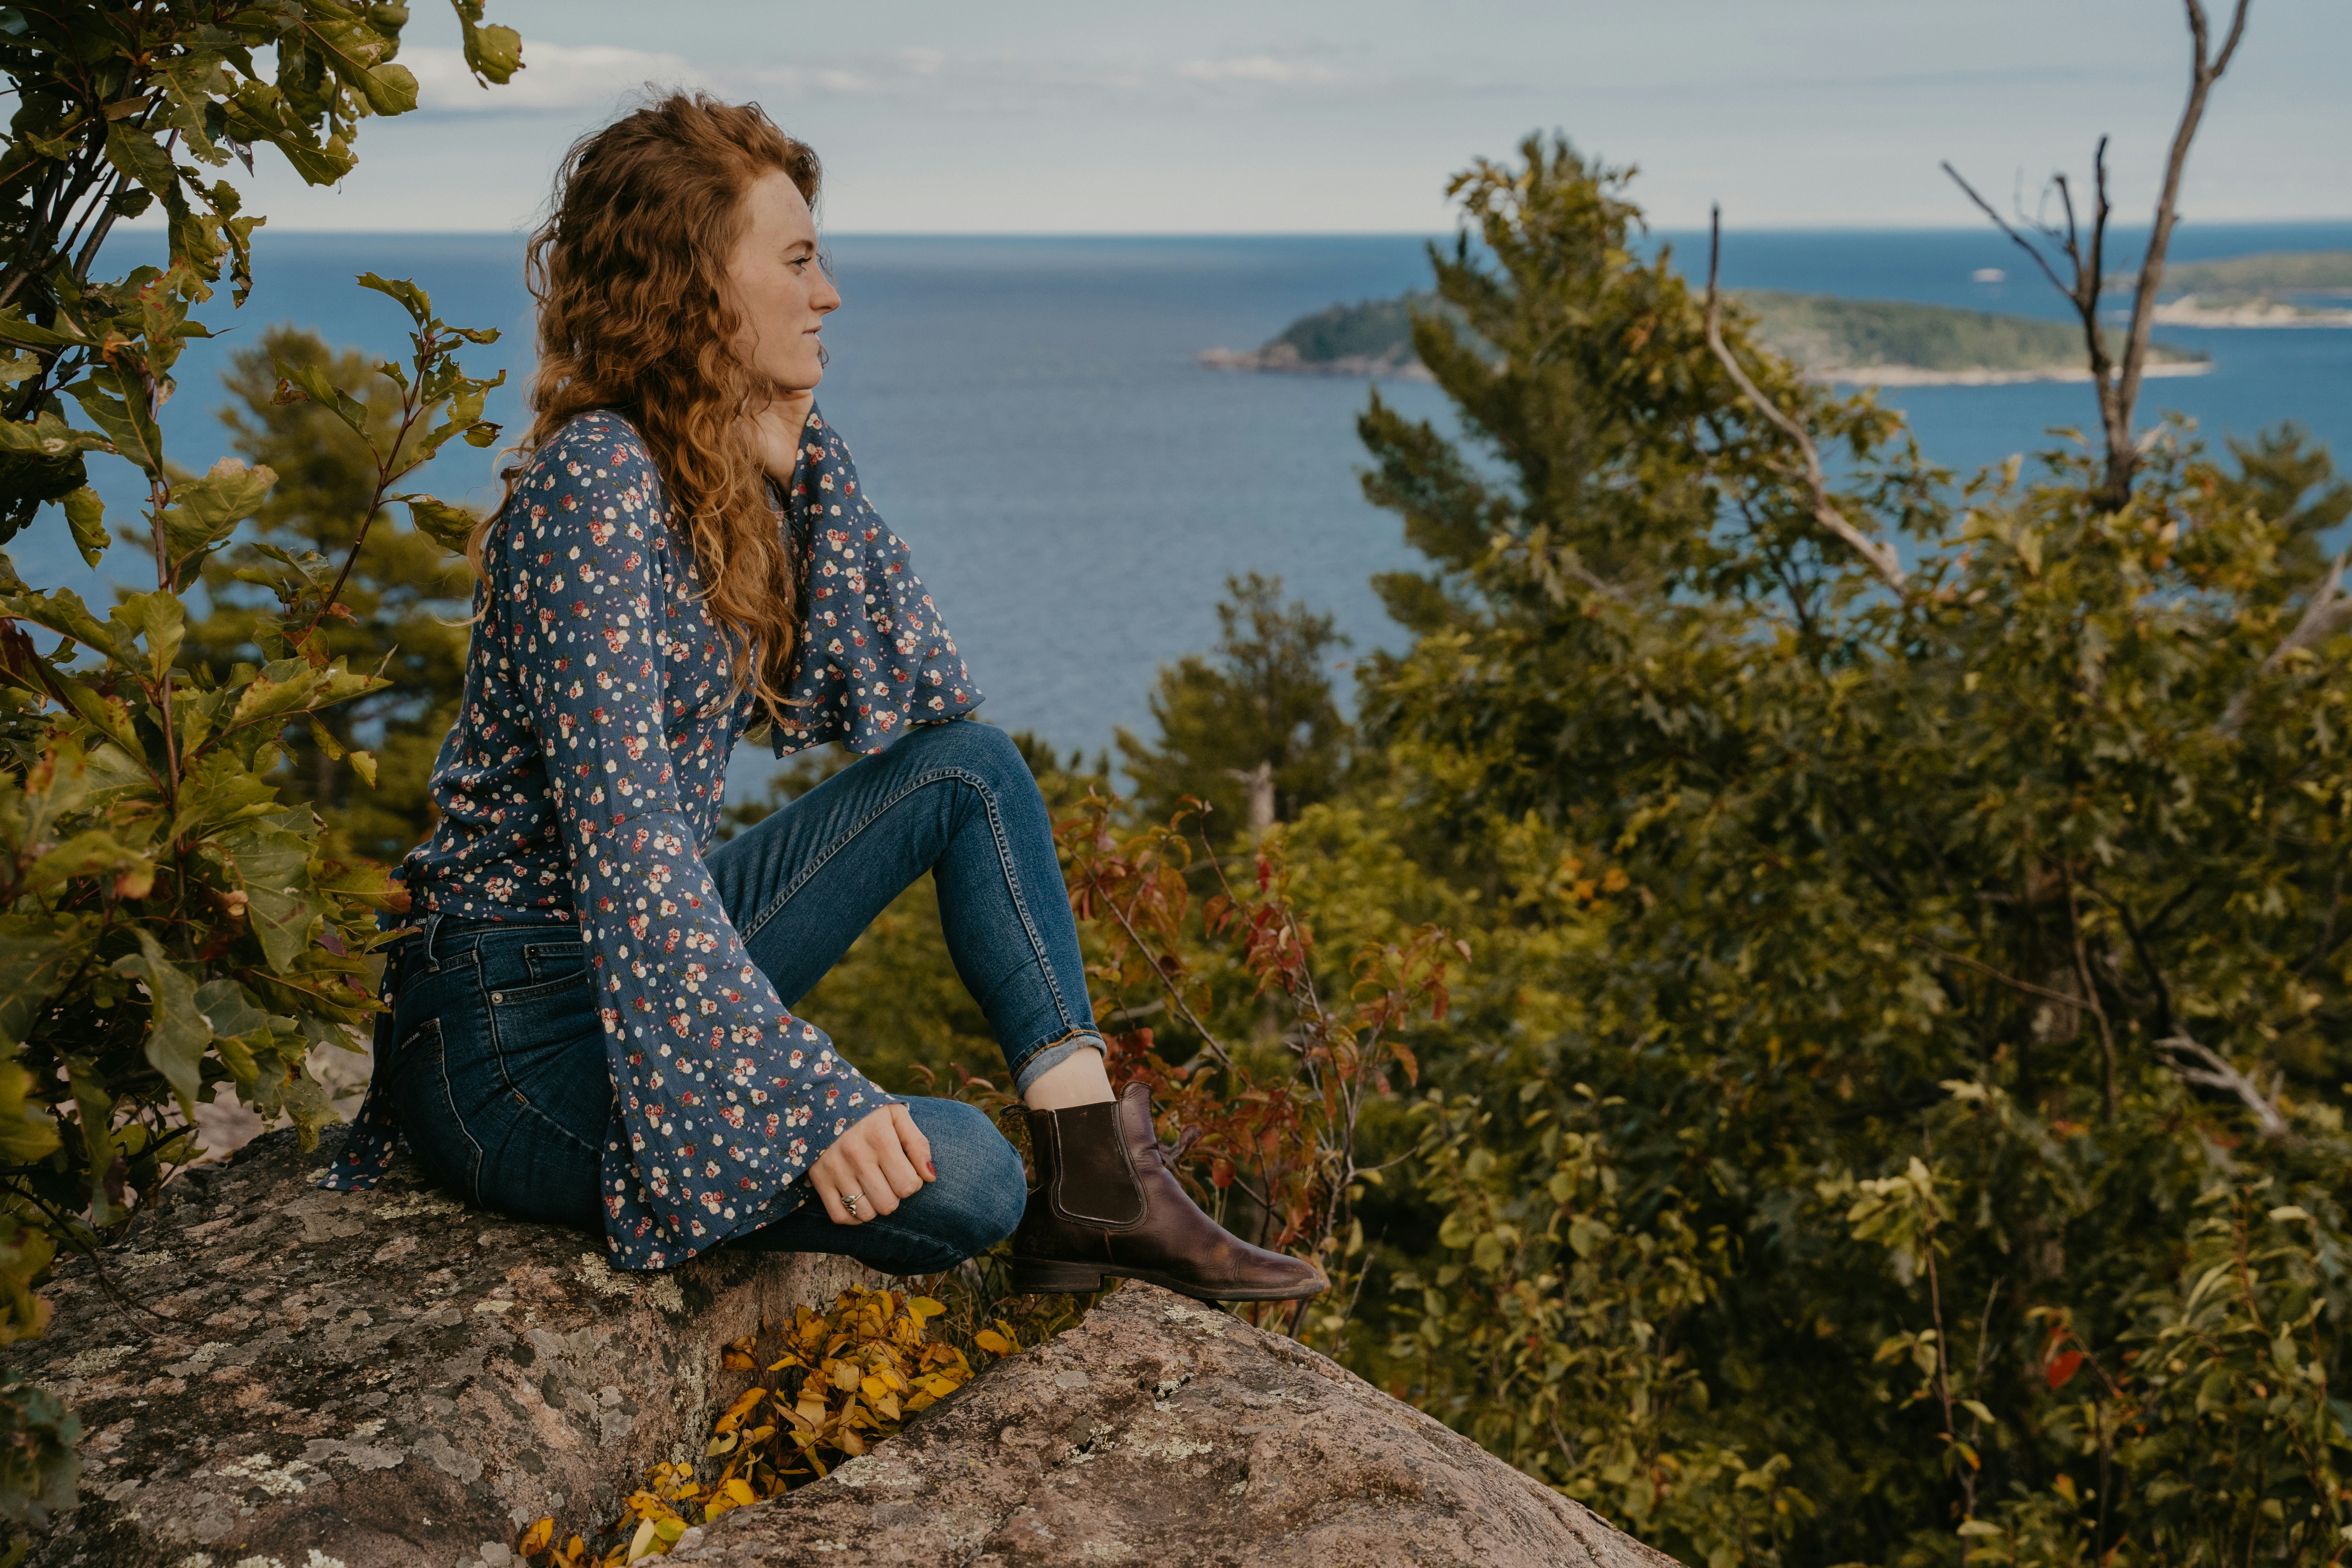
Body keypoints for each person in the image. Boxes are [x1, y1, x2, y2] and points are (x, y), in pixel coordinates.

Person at [318, 93, 1323, 1306]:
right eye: (797, 261)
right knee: (963, 1175)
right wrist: (807, 1100)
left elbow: (916, 688)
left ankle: (1100, 1180)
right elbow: (628, 853)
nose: (829, 293)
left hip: (634, 964)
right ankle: (1043, 1186)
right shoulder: (595, 485)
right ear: (698, 286)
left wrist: (804, 466)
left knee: (972, 769)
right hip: (510, 1037)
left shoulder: (705, 477)